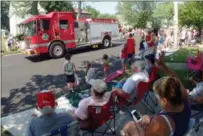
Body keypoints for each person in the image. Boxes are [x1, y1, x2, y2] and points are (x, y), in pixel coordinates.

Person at [122, 51, 191, 136]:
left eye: (158, 97)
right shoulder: (184, 98)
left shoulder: (161, 123)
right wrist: (162, 64)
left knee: (128, 126)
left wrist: (135, 129)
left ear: (164, 101)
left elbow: (157, 127)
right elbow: (175, 77)